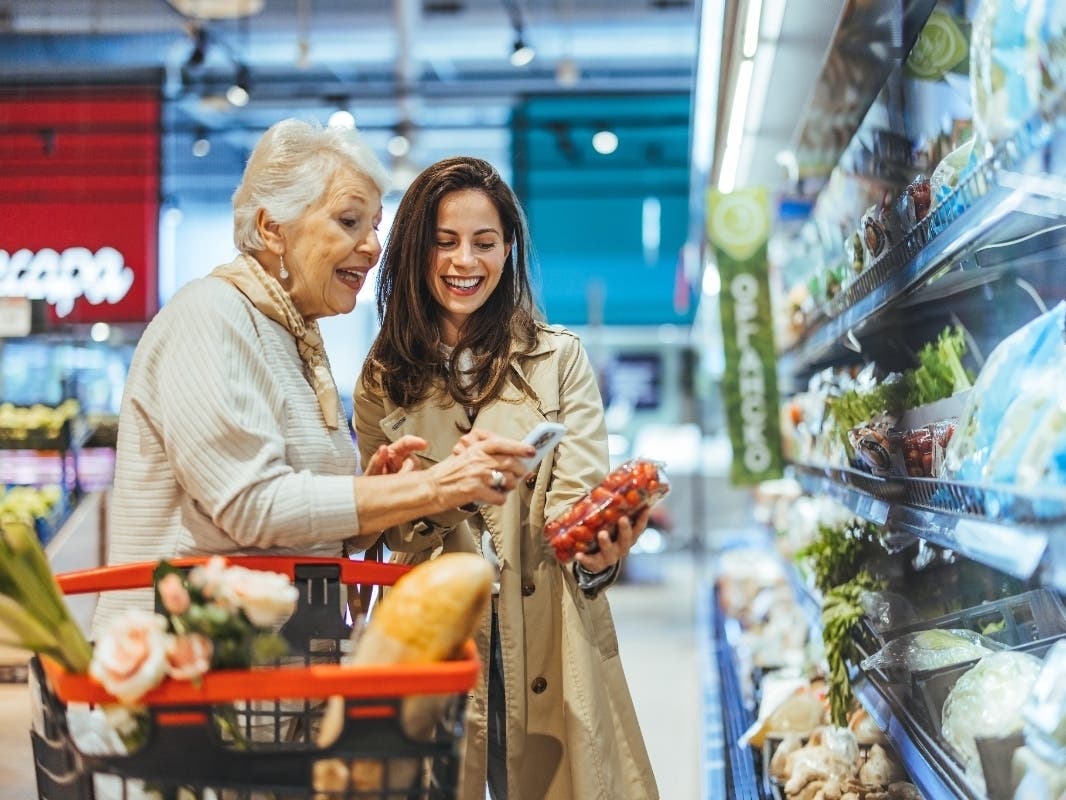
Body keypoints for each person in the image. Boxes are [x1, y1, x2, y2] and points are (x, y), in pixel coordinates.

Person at [93, 121, 534, 634]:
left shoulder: (292, 336)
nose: (372, 247)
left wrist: (373, 498)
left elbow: (299, 528)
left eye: (374, 225)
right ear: (273, 227)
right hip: (187, 675)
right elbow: (252, 505)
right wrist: (434, 486)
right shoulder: (212, 316)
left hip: (277, 675)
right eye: (349, 221)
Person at [354, 156, 659, 800]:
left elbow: (575, 509)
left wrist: (600, 554)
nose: (465, 261)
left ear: (508, 250)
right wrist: (429, 495)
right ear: (414, 252)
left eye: (485, 243)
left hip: (550, 632)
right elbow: (392, 534)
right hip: (439, 638)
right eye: (445, 242)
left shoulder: (559, 360)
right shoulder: (384, 378)